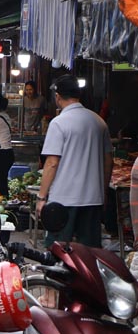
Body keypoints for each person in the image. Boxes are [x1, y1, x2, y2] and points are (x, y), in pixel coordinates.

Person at [36, 75, 112, 248]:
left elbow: (52, 163)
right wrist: (104, 190)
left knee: (59, 251)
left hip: (64, 199)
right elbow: (108, 161)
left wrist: (41, 197)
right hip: (93, 198)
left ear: (58, 96)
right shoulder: (99, 122)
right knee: (89, 252)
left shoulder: (59, 123)